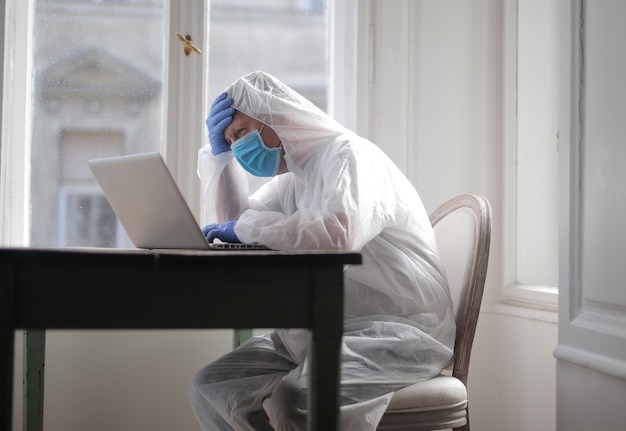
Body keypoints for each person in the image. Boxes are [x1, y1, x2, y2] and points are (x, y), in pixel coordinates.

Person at [189, 71, 455, 431]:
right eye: (230, 142)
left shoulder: (349, 154)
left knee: (297, 400)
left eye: (240, 134)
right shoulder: (295, 180)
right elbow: (239, 221)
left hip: (398, 333)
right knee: (212, 387)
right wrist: (221, 160)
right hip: (325, 332)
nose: (239, 148)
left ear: (275, 116)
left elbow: (338, 233)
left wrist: (245, 227)